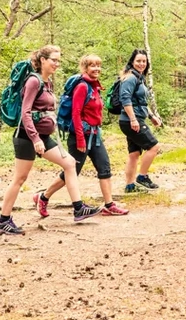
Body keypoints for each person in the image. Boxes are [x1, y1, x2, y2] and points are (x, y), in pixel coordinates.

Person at [0, 45, 101, 235]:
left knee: (69, 163)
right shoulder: (33, 82)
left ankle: (78, 208)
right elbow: (25, 113)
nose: (57, 64)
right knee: (20, 179)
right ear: (43, 60)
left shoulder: (47, 82)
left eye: (58, 60)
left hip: (43, 137)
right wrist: (35, 139)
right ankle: (3, 220)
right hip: (26, 137)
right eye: (54, 60)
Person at [34, 54, 130, 217]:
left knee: (104, 167)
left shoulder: (95, 86)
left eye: (98, 65)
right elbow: (76, 113)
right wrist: (79, 138)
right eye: (92, 66)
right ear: (85, 68)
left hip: (95, 135)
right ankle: (43, 197)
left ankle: (109, 205)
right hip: (81, 135)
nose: (97, 68)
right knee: (72, 171)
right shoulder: (83, 86)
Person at [117, 49, 163, 193]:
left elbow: (140, 102)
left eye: (144, 61)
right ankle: (142, 177)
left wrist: (151, 116)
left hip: (133, 119)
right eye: (138, 61)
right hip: (131, 120)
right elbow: (125, 99)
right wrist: (133, 119)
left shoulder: (139, 78)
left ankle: (130, 186)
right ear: (132, 62)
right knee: (154, 147)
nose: (141, 64)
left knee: (134, 154)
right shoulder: (130, 78)